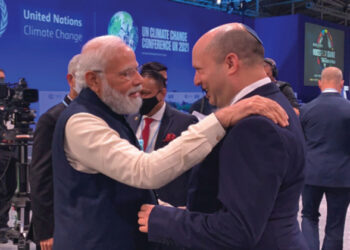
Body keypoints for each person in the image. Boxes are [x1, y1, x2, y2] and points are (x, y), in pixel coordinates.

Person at [51, 35, 289, 250]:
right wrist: (222, 118)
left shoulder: (111, 113)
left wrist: (170, 211)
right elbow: (145, 171)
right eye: (126, 73)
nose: (139, 81)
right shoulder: (81, 123)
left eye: (136, 70)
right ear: (93, 80)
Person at [138, 23, 308, 249]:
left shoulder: (255, 126)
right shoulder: (277, 103)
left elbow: (236, 231)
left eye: (200, 69)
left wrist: (162, 219)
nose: (196, 80)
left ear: (230, 63)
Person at [127, 62, 198, 207]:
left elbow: (193, 173)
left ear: (162, 94)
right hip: (133, 204)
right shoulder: (128, 119)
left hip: (170, 208)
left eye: (145, 94)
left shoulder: (184, 122)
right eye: (137, 93)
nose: (140, 98)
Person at [28, 54, 80, 250]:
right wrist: (46, 230)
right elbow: (41, 177)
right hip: (59, 225)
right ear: (71, 79)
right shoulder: (52, 119)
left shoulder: (96, 117)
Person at [300, 67, 350, 250]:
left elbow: (300, 142)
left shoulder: (306, 110)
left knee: (308, 216)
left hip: (311, 173)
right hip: (342, 176)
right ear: (341, 84)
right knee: (336, 225)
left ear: (319, 83)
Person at [0, 68, 17, 244]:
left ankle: (3, 226)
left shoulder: (10, 99)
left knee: (10, 188)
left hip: (12, 150)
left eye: (3, 80)